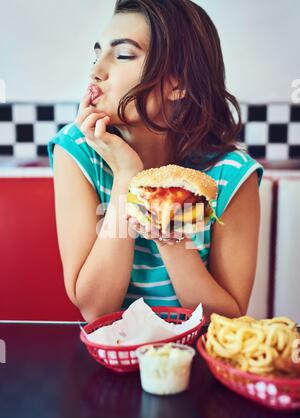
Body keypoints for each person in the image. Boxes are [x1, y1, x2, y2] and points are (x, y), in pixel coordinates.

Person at [47, 0, 264, 323]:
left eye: (122, 55)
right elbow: (95, 309)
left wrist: (163, 222)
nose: (96, 71)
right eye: (97, 54)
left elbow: (227, 316)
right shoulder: (78, 151)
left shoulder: (230, 175)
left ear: (178, 84)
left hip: (197, 358)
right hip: (112, 355)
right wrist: (126, 176)